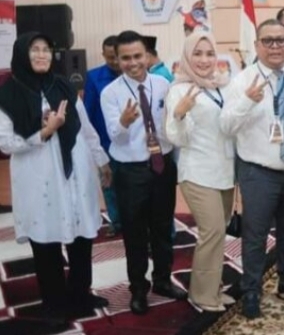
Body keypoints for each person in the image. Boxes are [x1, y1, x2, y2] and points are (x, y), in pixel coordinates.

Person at [0, 32, 112, 319]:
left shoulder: (62, 84)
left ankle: (80, 293)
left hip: (75, 172)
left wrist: (101, 160)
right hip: (38, 175)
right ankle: (54, 303)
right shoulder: (8, 93)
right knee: (46, 239)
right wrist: (46, 131)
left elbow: (85, 127)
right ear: (22, 54)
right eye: (35, 49)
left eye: (46, 49)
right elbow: (5, 142)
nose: (42, 55)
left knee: (81, 235)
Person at [221, 19, 284, 319]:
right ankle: (251, 289)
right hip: (258, 172)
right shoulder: (242, 81)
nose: (275, 46)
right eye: (268, 41)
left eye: (281, 40)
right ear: (257, 45)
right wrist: (247, 101)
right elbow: (226, 126)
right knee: (255, 234)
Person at [100, 30, 186, 315]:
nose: (133, 62)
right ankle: (138, 289)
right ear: (117, 59)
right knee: (135, 233)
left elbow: (172, 124)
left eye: (138, 56)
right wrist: (124, 122)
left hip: (162, 165)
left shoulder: (163, 84)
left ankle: (163, 280)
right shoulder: (110, 93)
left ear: (147, 56)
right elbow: (115, 136)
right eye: (125, 58)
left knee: (163, 227)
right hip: (130, 170)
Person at [165, 32, 234, 313]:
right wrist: (180, 114)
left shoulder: (222, 86)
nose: (204, 60)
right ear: (186, 56)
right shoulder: (179, 90)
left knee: (220, 231)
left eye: (209, 53)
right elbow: (176, 137)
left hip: (225, 171)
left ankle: (213, 287)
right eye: (197, 53)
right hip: (197, 172)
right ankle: (202, 294)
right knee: (212, 230)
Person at [83, 34, 122, 237]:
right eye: (109, 57)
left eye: (117, 56)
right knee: (109, 184)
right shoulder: (93, 77)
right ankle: (116, 221)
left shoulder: (132, 73)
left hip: (130, 141)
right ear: (103, 55)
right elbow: (87, 112)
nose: (114, 61)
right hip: (105, 142)